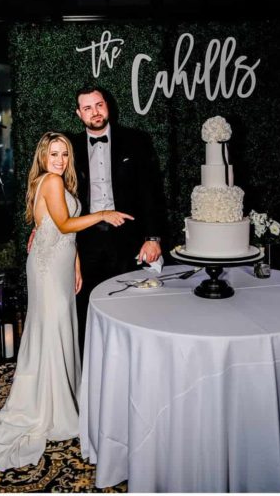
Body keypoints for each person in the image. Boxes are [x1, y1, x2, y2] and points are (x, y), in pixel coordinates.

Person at [0, 133, 133, 472]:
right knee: (52, 328)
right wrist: (104, 213)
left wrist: (75, 263)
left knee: (58, 327)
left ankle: (60, 397)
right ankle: (49, 407)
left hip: (58, 264)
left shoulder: (55, 182)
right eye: (53, 154)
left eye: (64, 154)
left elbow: (51, 229)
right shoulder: (50, 181)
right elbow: (63, 224)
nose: (60, 160)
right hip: (48, 270)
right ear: (43, 157)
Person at [69, 86, 167, 358]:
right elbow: (53, 191)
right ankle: (90, 371)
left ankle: (130, 365)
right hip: (84, 241)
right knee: (85, 309)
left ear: (108, 106)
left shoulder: (136, 141)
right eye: (87, 108)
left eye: (99, 105)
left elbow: (151, 192)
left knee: (130, 308)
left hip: (126, 238)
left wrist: (153, 237)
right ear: (79, 113)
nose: (95, 112)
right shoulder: (69, 147)